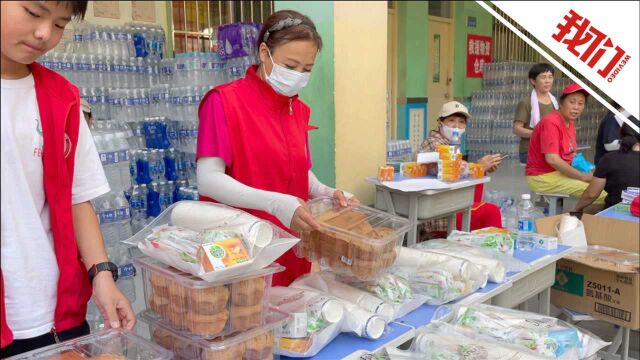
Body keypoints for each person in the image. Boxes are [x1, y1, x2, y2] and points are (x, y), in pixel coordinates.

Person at [1, 1, 135, 356]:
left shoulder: (63, 99)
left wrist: (102, 277)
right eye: (32, 12)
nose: (44, 33)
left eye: (59, 24)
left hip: (54, 316)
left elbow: (79, 198)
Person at [196, 10, 356, 287]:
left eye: (307, 69)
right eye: (290, 66)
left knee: (293, 317)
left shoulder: (298, 110)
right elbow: (208, 180)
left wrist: (324, 192)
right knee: (248, 319)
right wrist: (275, 202)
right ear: (263, 52)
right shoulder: (223, 102)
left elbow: (296, 170)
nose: (298, 76)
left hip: (292, 244)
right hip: (242, 248)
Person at [418, 101, 503, 237]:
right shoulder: (434, 142)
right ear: (440, 122)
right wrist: (478, 166)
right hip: (438, 212)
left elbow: (460, 172)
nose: (456, 126)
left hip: (449, 203)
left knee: (483, 206)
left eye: (461, 122)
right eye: (451, 120)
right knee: (490, 211)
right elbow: (454, 168)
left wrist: (482, 169)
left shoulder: (451, 144)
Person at [525, 83, 606, 203]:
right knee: (599, 193)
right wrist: (582, 176)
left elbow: (570, 155)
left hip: (557, 172)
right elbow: (552, 159)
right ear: (561, 103)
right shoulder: (551, 122)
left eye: (580, 103)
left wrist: (586, 169)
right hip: (542, 177)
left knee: (603, 184)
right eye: (572, 102)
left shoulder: (570, 122)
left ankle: (578, 216)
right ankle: (575, 217)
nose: (576, 107)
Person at [574, 118, 640, 212]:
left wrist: (576, 208)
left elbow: (591, 194)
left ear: (621, 133)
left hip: (616, 214)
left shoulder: (609, 159)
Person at [513, 63, 559, 165]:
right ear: (533, 81)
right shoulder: (526, 102)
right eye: (543, 77)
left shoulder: (554, 101)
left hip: (551, 149)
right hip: (530, 150)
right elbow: (517, 129)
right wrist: (539, 134)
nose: (547, 81)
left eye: (550, 77)